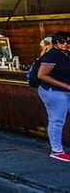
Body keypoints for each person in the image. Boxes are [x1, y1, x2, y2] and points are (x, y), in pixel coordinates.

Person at [36, 31, 70, 162]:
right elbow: (42, 75)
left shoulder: (66, 54)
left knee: (58, 119)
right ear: (55, 43)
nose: (66, 44)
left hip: (64, 91)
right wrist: (66, 86)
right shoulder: (52, 56)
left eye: (68, 42)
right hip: (53, 91)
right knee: (57, 120)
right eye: (62, 42)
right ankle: (56, 151)